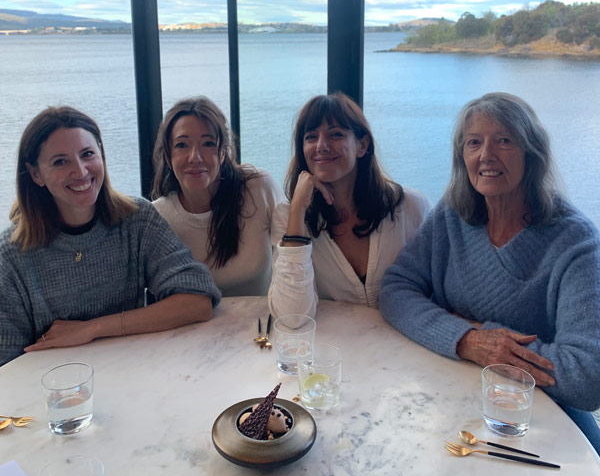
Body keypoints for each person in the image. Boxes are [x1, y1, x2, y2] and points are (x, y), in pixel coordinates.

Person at [380, 92, 600, 452]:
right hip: (452, 392)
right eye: (474, 143)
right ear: (461, 156)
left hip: (537, 419)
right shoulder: (454, 212)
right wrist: (466, 339)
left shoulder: (575, 240)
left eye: (504, 141)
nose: (486, 155)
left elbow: (588, 377)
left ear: (532, 154)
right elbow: (395, 290)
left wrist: (495, 343)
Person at [0, 106, 221, 367]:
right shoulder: (10, 257)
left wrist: (91, 329)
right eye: (61, 161)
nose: (81, 171)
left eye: (87, 154)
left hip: (135, 376)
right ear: (35, 174)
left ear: (102, 156)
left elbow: (198, 301)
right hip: (54, 395)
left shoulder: (136, 219)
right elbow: (6, 366)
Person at [268, 92, 430, 317]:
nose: (321, 146)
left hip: (405, 343)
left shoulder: (410, 207)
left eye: (335, 134)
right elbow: (292, 317)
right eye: (311, 137)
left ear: (362, 145)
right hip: (335, 349)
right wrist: (297, 212)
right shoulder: (288, 216)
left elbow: (433, 293)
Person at [152, 97, 283, 296]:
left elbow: (294, 258)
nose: (195, 157)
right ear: (168, 157)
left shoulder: (258, 188)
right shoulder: (157, 217)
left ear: (223, 153)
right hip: (194, 325)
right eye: (182, 145)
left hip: (263, 323)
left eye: (208, 143)